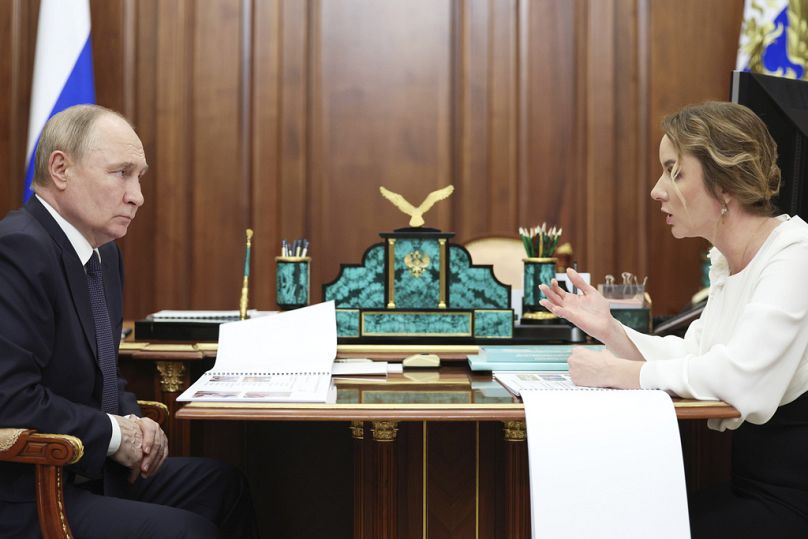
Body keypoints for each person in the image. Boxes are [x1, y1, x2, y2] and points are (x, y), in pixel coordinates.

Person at [540, 101, 808, 538]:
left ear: (725, 185)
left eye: (674, 171)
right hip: (751, 488)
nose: (657, 190)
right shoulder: (729, 261)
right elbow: (695, 355)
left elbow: (738, 379)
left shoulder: (795, 254)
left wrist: (622, 373)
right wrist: (609, 329)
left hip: (790, 503)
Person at [0, 105, 258, 538]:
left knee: (224, 487)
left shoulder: (103, 254)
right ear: (60, 169)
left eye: (139, 176)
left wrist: (136, 423)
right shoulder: (17, 252)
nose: (137, 195)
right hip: (30, 488)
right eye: (121, 173)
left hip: (88, 469)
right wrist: (117, 435)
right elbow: (11, 401)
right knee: (185, 531)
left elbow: (104, 371)